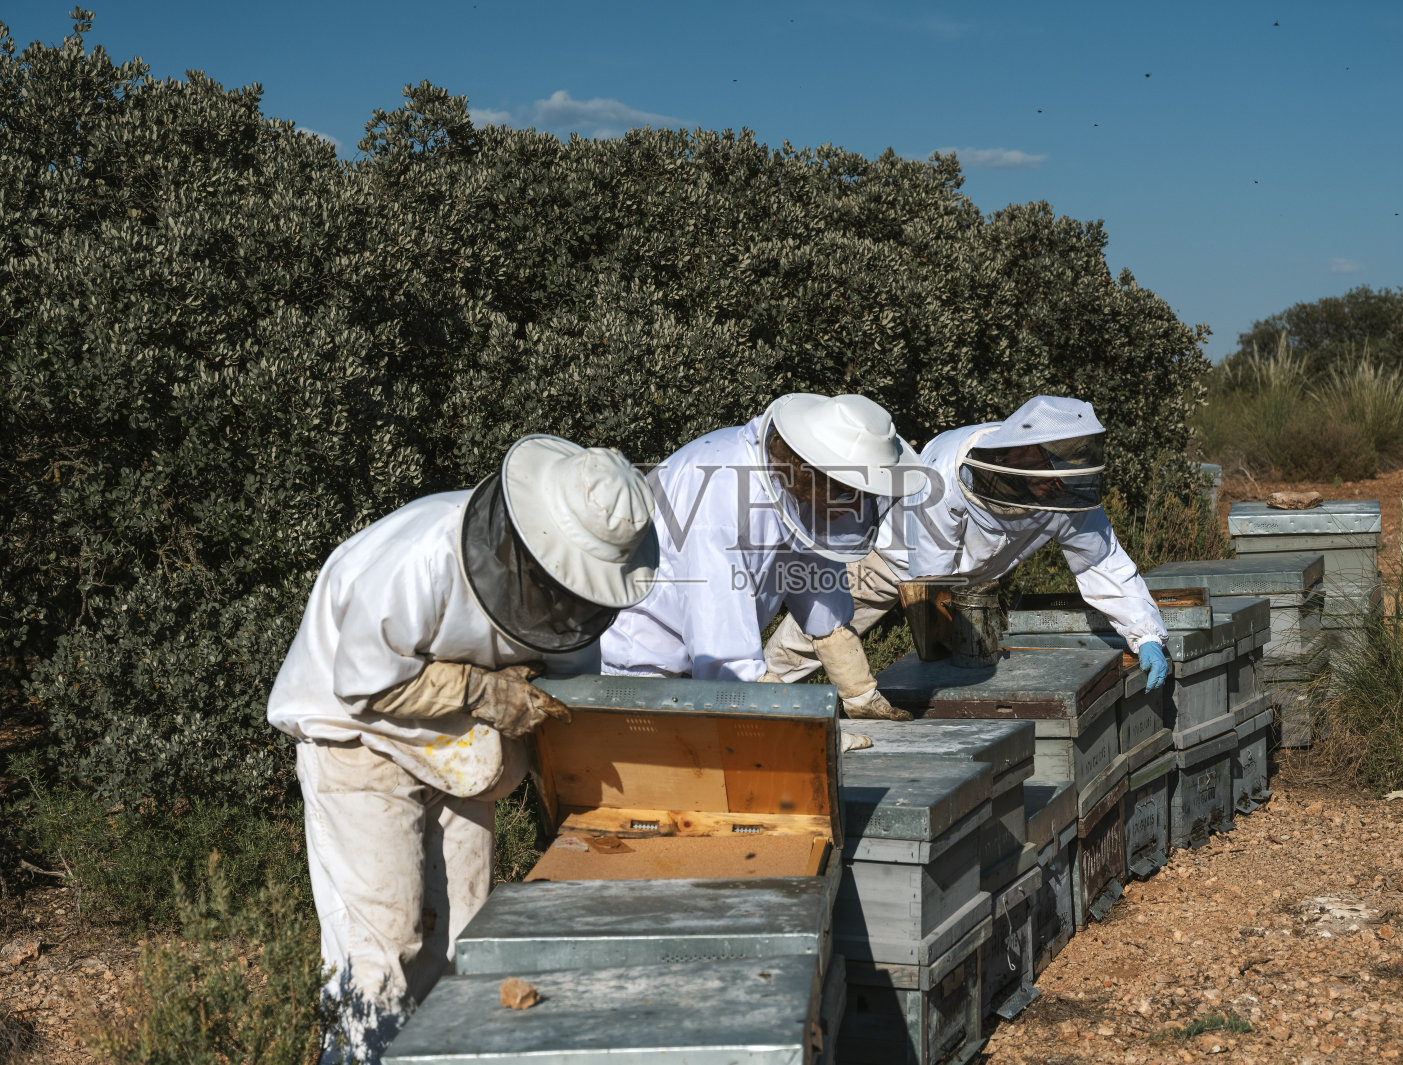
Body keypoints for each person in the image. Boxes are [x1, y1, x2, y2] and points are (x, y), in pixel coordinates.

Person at [266, 436, 659, 1064]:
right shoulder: (417, 559)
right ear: (528, 544)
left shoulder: (575, 602)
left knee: (461, 936)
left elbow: (566, 693)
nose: (569, 602)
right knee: (380, 948)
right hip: (355, 735)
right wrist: (481, 690)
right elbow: (365, 685)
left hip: (463, 753)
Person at [764, 396, 1171, 691]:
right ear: (1026, 454)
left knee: (954, 680)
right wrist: (944, 648)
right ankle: (741, 705)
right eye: (1051, 473)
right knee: (808, 642)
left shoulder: (1065, 493)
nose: (1057, 485)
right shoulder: (948, 471)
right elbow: (932, 576)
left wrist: (1146, 634)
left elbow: (1102, 564)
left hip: (968, 583)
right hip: (888, 561)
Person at [601, 393, 926, 719]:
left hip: (692, 663)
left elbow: (813, 567)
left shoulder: (794, 485)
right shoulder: (722, 496)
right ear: (813, 473)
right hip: (639, 667)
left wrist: (856, 687)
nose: (857, 505)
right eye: (849, 491)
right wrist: (792, 728)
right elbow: (723, 644)